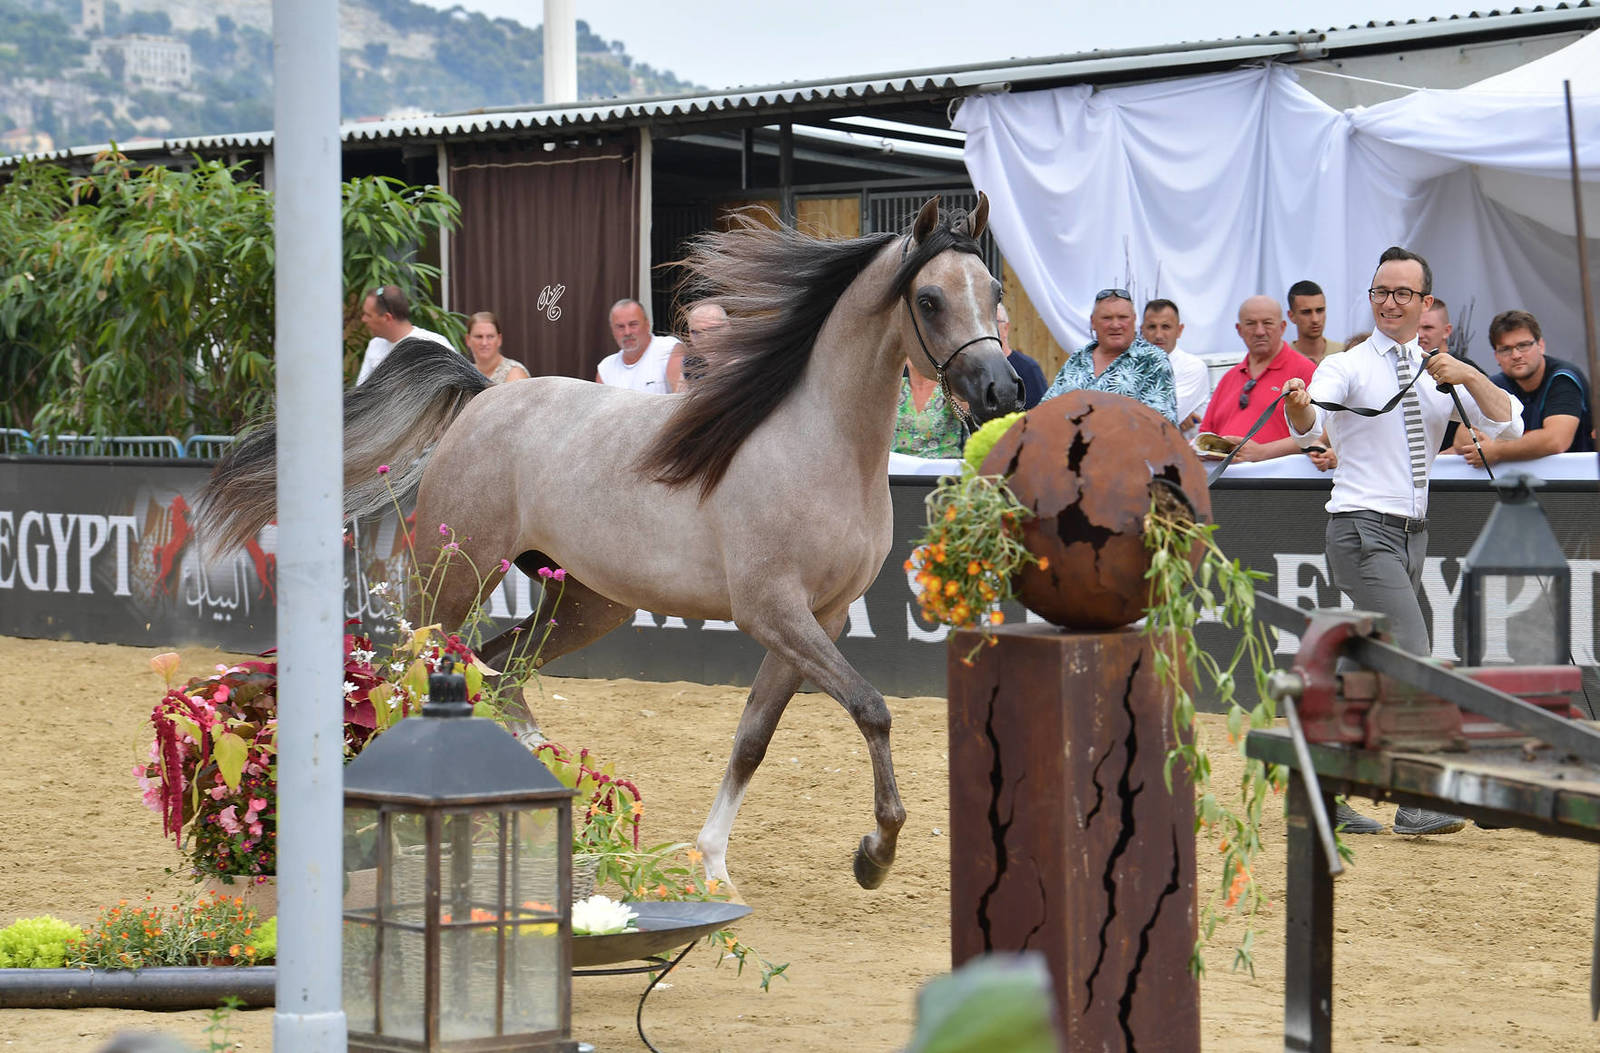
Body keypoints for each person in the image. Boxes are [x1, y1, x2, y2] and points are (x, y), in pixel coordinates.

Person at [1284, 246, 1522, 836]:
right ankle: (1418, 799)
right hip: (1363, 527)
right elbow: (1312, 418)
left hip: (1411, 535)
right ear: (1370, 298)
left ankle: (1319, 785)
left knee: (1362, 665)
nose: (1389, 303)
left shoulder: (1439, 368)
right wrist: (1298, 404)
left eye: (1402, 294)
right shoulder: (1350, 363)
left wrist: (1466, 374)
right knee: (1413, 653)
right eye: (1380, 292)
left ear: (1424, 303)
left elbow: (1508, 423)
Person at [1453, 309, 1595, 466]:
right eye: (1505, 349)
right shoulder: (1496, 384)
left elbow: (1556, 440)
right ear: (1496, 356)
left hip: (1574, 482)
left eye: (1523, 345)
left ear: (1541, 345)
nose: (1516, 355)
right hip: (1514, 480)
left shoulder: (1563, 378)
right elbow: (1462, 439)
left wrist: (1497, 450)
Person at [1196, 296, 1316, 461]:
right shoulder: (1229, 377)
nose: (1259, 331)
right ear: (1239, 329)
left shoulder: (1305, 371)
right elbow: (1205, 433)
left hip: (1277, 482)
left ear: (1282, 327)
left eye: (1267, 323)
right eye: (1251, 324)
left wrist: (1263, 452)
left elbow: (1323, 434)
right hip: (1224, 482)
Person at [1041, 288, 1176, 422]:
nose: (1115, 325)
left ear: (1134, 320)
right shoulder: (1078, 358)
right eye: (1107, 318)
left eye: (1123, 317)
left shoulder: (1152, 360)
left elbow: (1160, 426)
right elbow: (1045, 410)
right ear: (1093, 322)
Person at [1417, 298, 1486, 451]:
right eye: (1415, 328)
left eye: (1428, 328)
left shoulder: (1468, 370)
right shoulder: (1404, 366)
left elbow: (1488, 426)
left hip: (1453, 469)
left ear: (1447, 331)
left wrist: (1449, 454)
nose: (1420, 334)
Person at [1139, 298, 1211, 438]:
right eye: (1152, 327)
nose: (1158, 335)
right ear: (1142, 331)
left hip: (1181, 457)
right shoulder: (1131, 365)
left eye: (1166, 327)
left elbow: (1162, 418)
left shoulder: (1193, 367)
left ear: (1179, 330)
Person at [356, 284, 453, 384]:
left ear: (387, 317)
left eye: (368, 315)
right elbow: (361, 392)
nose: (363, 319)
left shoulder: (433, 344)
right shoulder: (375, 345)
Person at [596, 299, 679, 392]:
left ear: (647, 325)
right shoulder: (606, 368)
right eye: (620, 327)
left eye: (633, 324)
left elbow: (681, 399)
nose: (627, 332)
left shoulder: (669, 349)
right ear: (612, 330)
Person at [893, 365, 965, 458]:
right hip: (898, 467)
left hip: (943, 466)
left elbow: (966, 416)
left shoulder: (948, 386)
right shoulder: (894, 387)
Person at [667, 300, 728, 393]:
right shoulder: (692, 362)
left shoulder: (748, 360)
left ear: (728, 328)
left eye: (713, 330)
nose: (706, 339)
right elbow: (681, 400)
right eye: (696, 333)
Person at [996, 303, 1047, 409]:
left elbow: (1041, 412)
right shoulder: (975, 370)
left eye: (994, 322)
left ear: (1006, 327)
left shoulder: (1028, 369)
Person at [1286, 280, 1345, 367]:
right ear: (1291, 316)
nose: (1315, 319)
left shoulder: (1344, 353)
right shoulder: (1283, 358)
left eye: (1320, 310)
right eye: (1306, 312)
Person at [464, 311, 529, 384]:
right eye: (479, 337)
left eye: (490, 337)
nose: (484, 343)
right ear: (468, 340)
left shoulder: (514, 373)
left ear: (499, 339)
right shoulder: (465, 375)